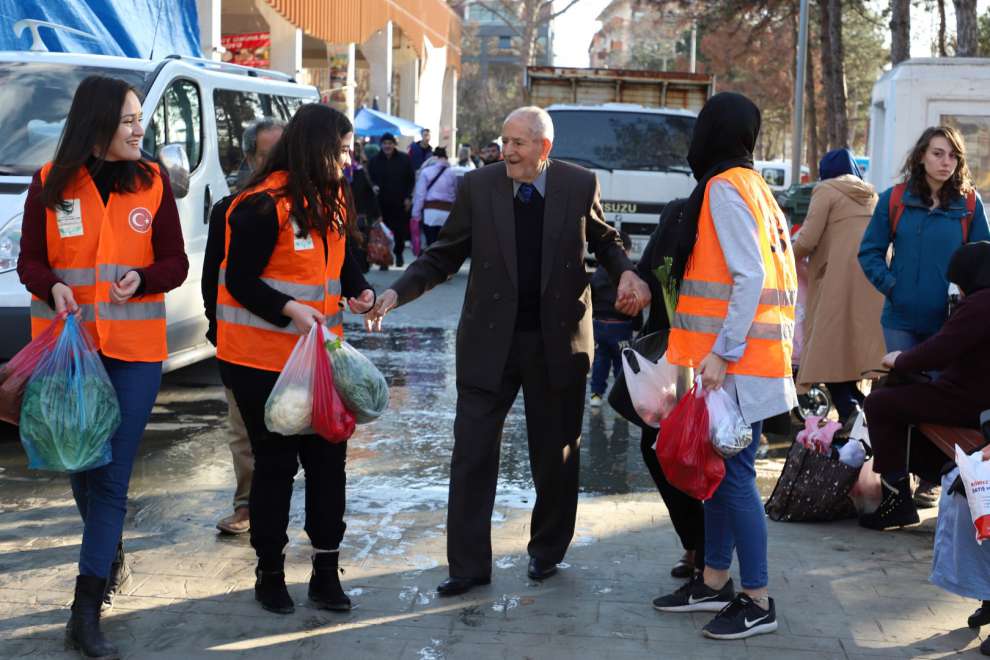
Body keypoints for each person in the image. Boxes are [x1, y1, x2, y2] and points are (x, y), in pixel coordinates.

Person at [366, 106, 651, 597]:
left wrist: (626, 270)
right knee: (472, 453)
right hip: (488, 343)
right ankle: (468, 566)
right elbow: (443, 254)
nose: (508, 151)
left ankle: (546, 551)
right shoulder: (479, 188)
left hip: (556, 342)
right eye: (505, 141)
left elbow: (605, 239)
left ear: (545, 148)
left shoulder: (579, 185)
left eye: (519, 143)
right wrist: (397, 292)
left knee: (555, 455)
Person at [17, 75, 189, 658]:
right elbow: (29, 265)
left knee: (111, 473)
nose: (141, 129)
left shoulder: (153, 183)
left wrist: (143, 277)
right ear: (97, 127)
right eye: (129, 120)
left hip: (135, 353)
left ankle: (84, 609)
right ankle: (107, 547)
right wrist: (54, 286)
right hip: (70, 352)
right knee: (79, 464)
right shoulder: (49, 184)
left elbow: (176, 263)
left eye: (140, 118)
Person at [215, 104, 375, 615]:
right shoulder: (261, 205)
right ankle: (270, 575)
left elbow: (344, 264)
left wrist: (362, 292)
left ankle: (326, 574)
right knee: (276, 466)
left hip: (320, 359)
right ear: (318, 148)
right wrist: (290, 311)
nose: (349, 162)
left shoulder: (333, 198)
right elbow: (239, 281)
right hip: (261, 362)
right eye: (344, 151)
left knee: (329, 464)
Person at [651, 93, 797, 641]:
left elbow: (749, 274)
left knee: (733, 478)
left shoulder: (723, 189)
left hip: (736, 363)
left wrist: (722, 352)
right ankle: (713, 580)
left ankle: (757, 598)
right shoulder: (757, 189)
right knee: (716, 475)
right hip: (750, 358)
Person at [858, 126, 990, 506]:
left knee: (942, 403)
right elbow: (869, 252)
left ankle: (935, 480)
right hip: (899, 319)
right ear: (920, 157)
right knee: (903, 399)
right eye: (937, 153)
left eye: (952, 155)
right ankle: (899, 487)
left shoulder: (968, 203)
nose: (945, 162)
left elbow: (982, 259)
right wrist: (892, 285)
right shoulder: (895, 199)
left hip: (950, 327)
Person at [859, 241, 990, 530]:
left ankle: (896, 500)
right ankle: (920, 481)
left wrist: (901, 360)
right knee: (902, 402)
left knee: (879, 403)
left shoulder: (980, 304)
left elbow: (940, 350)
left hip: (967, 400)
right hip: (977, 400)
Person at [205, 118, 286, 537]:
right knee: (245, 434)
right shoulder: (230, 209)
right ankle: (246, 505)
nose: (274, 163)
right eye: (265, 154)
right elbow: (212, 278)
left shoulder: (306, 208)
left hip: (295, 346)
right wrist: (216, 329)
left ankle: (279, 505)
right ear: (250, 158)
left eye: (281, 153)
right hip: (242, 347)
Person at [634, 198, 706, 581]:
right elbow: (646, 270)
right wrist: (633, 285)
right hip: (668, 357)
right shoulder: (677, 211)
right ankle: (694, 543)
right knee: (657, 447)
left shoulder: (733, 211)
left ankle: (710, 555)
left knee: (707, 454)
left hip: (715, 361)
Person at [793, 148, 885, 426]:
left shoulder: (825, 190)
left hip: (836, 282)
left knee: (826, 353)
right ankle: (863, 410)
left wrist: (780, 261)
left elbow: (808, 239)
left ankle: (851, 411)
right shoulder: (872, 196)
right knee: (854, 352)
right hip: (872, 283)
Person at [589, 231, 642, 407]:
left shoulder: (598, 272)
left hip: (600, 325)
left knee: (600, 360)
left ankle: (596, 394)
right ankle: (622, 399)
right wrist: (637, 324)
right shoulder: (629, 275)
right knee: (623, 363)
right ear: (625, 251)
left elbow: (591, 296)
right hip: (621, 326)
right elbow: (636, 304)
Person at [368, 132, 415, 267]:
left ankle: (399, 253)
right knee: (383, 232)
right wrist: (373, 186)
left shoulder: (404, 159)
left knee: (400, 230)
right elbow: (369, 180)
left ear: (394, 145)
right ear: (381, 145)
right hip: (381, 203)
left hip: (400, 202)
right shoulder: (374, 161)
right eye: (384, 143)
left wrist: (408, 197)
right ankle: (384, 259)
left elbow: (411, 180)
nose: (387, 146)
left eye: (390, 143)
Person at [411, 147, 458, 247]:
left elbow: (420, 195)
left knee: (431, 244)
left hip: (430, 213)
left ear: (433, 157)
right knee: (443, 245)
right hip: (447, 213)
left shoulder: (426, 172)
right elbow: (454, 194)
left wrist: (416, 214)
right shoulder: (452, 173)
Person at [348, 141, 382, 273]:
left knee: (359, 247)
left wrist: (377, 213)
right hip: (346, 217)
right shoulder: (337, 173)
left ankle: (360, 278)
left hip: (360, 216)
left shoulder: (360, 171)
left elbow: (369, 194)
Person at [235, 118, 285, 190]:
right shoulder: (250, 198)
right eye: (267, 156)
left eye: (283, 154)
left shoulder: (301, 190)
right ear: (250, 159)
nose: (277, 162)